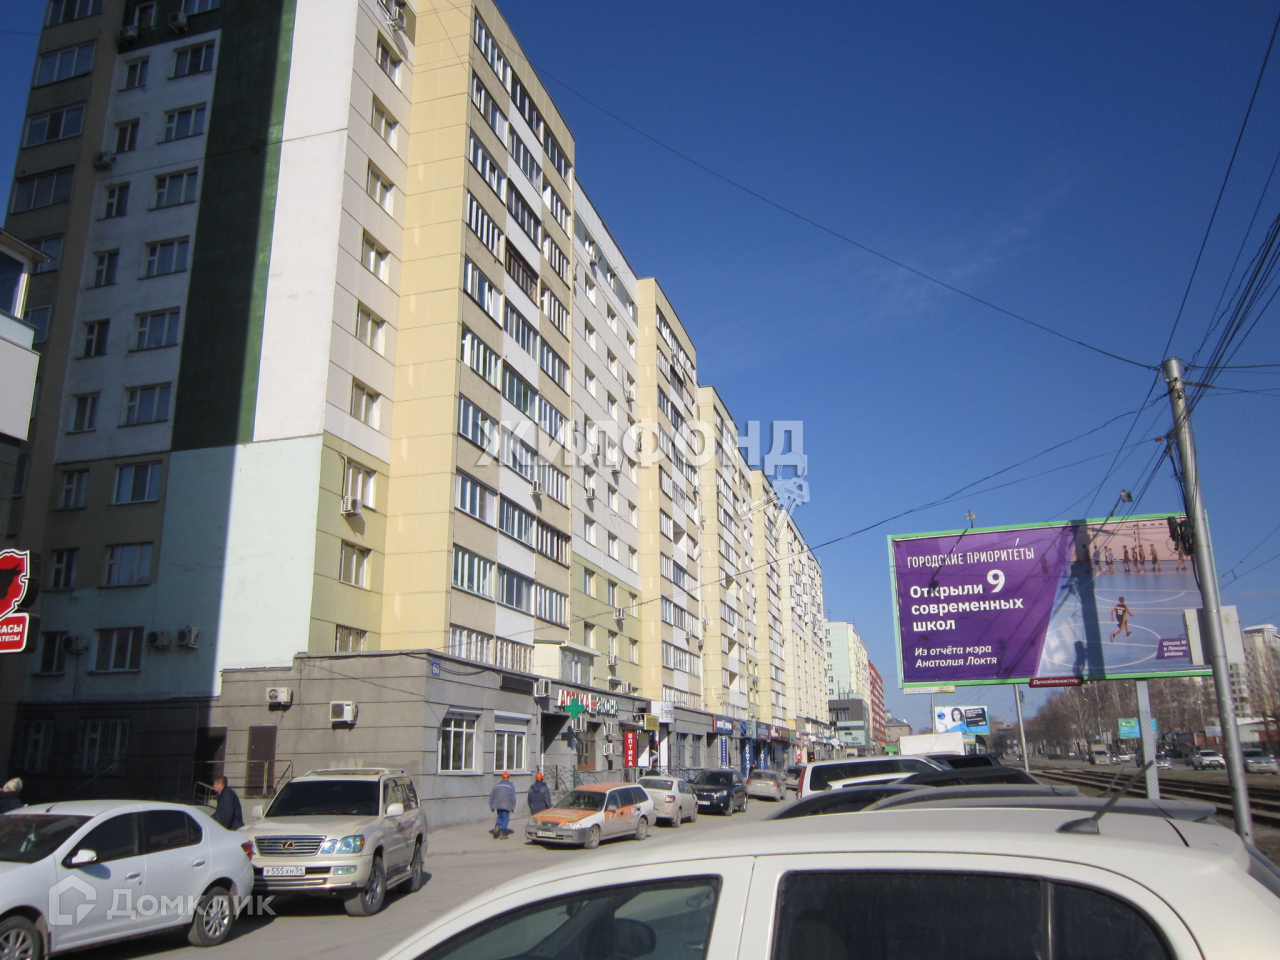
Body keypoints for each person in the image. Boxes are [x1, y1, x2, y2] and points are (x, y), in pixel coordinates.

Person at [489, 771, 516, 838]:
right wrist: (512, 807)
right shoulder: (510, 786)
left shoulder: (496, 785)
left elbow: (491, 796)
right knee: (505, 818)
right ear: (508, 778)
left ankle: (497, 829)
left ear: (502, 777)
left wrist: (492, 806)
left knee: (500, 816)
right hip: (506, 805)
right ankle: (503, 833)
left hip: (498, 805)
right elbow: (513, 798)